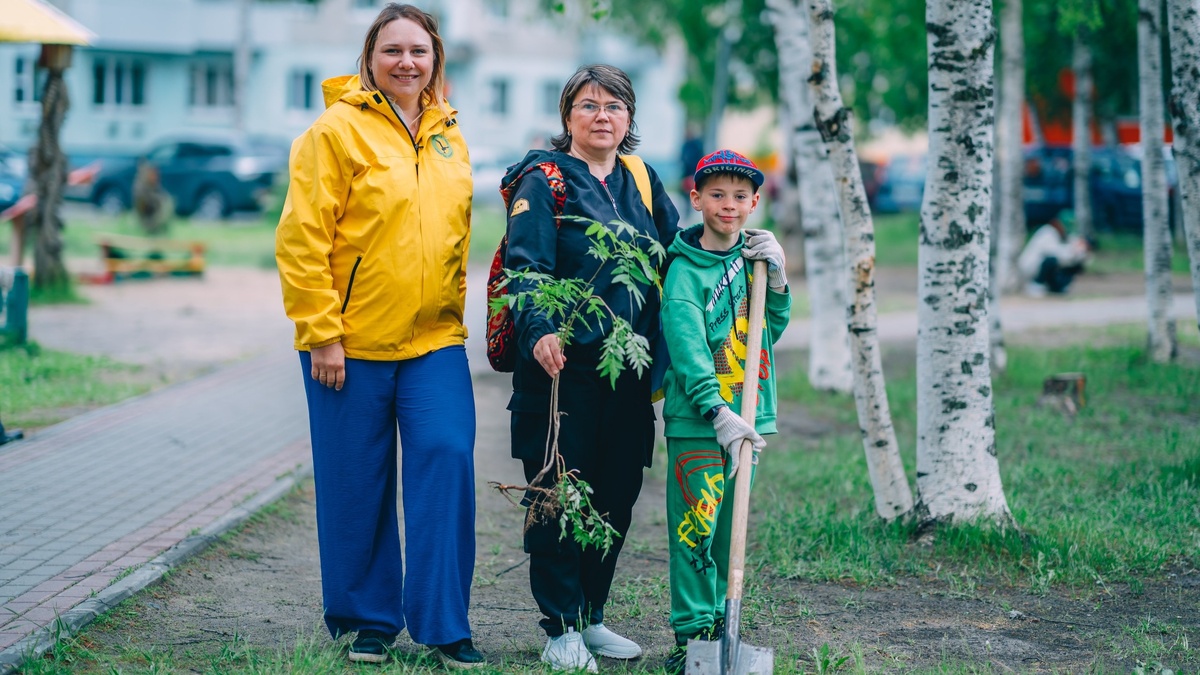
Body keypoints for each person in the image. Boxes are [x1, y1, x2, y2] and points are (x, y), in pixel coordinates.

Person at [274, 4, 483, 668]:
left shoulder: (449, 133)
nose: (406, 62)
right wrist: (321, 333)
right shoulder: (333, 132)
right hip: (348, 345)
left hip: (435, 343)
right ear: (369, 58)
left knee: (447, 458)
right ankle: (367, 620)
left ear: (435, 59)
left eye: (418, 51)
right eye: (392, 50)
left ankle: (445, 624)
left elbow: (455, 236)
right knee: (355, 482)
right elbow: (302, 240)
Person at [500, 64, 680, 672]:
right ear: (567, 115)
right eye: (588, 105)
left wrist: (739, 245)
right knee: (559, 493)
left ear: (629, 118)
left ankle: (591, 616)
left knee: (616, 494)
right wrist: (540, 330)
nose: (602, 116)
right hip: (561, 371)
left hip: (628, 370)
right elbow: (525, 267)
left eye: (614, 106)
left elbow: (676, 255)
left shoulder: (641, 179)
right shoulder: (544, 179)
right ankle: (559, 628)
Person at [658, 150, 791, 674]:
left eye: (740, 196)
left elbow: (768, 329)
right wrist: (716, 411)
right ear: (696, 199)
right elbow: (687, 349)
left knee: (728, 530)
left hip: (748, 416)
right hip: (700, 422)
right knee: (697, 528)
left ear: (755, 202)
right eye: (717, 194)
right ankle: (693, 636)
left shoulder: (753, 262)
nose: (728, 205)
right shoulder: (684, 272)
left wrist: (776, 281)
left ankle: (720, 627)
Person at [1018, 209, 1092, 297]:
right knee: (1052, 260)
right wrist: (1074, 250)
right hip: (1032, 269)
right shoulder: (1047, 233)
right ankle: (1037, 285)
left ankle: (1058, 287)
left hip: (1048, 268)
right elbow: (1057, 254)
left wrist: (1083, 249)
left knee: (1075, 264)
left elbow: (1082, 256)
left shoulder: (1066, 235)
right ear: (1057, 223)